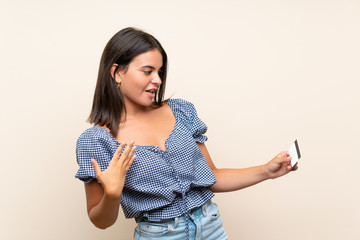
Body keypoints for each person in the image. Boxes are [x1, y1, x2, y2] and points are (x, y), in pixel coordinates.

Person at [75, 27, 298, 240]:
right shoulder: (97, 141)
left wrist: (266, 171)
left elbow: (212, 177)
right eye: (147, 71)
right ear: (116, 73)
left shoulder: (180, 111)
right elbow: (101, 221)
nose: (158, 80)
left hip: (211, 226)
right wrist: (112, 194)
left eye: (159, 71)